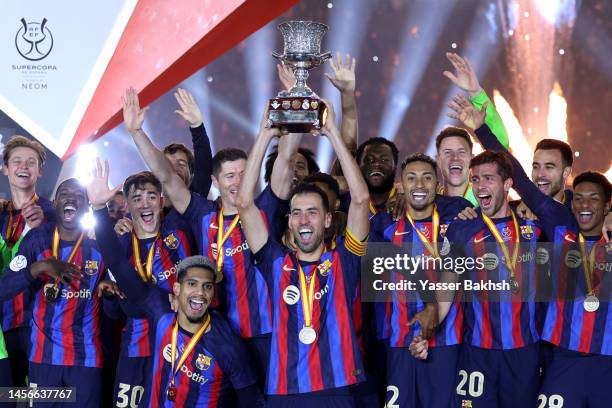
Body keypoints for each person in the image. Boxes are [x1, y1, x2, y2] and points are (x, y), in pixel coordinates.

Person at [122, 87, 294, 388]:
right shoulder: (202, 213)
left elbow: (287, 159)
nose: (238, 182)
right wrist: (137, 133)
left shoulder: (266, 207)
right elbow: (166, 177)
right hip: (212, 330)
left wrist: (294, 98)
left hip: (266, 331)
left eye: (244, 174)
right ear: (215, 182)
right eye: (230, 176)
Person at [465, 120, 612, 407]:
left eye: (594, 199)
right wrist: (481, 129)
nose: (584, 205)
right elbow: (518, 178)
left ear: (607, 206)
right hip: (559, 354)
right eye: (579, 199)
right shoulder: (560, 226)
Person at [237, 101, 369, 407]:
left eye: (312, 212)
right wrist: (264, 135)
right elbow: (245, 203)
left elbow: (360, 199)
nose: (304, 220)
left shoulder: (345, 261)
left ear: (327, 220)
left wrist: (333, 133)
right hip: (285, 391)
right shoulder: (274, 262)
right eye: (296, 213)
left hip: (337, 389)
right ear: (290, 221)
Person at [0, 178, 121, 406]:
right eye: (65, 193)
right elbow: (3, 288)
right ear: (55, 203)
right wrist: (40, 267)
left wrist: (109, 296)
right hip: (44, 360)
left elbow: (115, 314)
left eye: (79, 195)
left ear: (86, 206)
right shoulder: (36, 240)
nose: (71, 197)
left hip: (86, 362)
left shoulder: (99, 245)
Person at [441, 151, 542, 407]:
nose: (480, 186)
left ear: (507, 184)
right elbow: (445, 287)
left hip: (525, 353)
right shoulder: (461, 228)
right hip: (477, 351)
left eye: (488, 178)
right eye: (475, 179)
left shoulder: (534, 230)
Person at [370, 153, 471, 407]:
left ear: (438, 186)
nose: (419, 185)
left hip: (447, 342)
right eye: (411, 178)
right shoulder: (383, 225)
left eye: (427, 178)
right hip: (399, 341)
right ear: (400, 186)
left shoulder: (456, 219)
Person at [99, 167, 194, 407]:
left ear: (161, 201)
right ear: (127, 206)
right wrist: (111, 297)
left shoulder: (178, 236)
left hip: (177, 347)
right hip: (135, 349)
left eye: (152, 196)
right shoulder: (118, 245)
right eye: (137, 198)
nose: (145, 204)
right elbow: (114, 314)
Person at [0, 135, 56, 389]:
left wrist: (42, 229)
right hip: (3, 328)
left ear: (40, 171)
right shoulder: (1, 214)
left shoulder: (53, 213)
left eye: (30, 162)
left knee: (41, 399)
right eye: (17, 161)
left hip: (40, 325)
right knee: (7, 398)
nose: (23, 166)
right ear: (5, 168)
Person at [438, 53, 510, 206]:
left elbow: (500, 146)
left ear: (472, 158)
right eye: (447, 152)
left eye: (461, 152)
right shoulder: (429, 204)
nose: (455, 158)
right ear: (438, 160)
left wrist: (476, 93)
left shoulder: (482, 198)